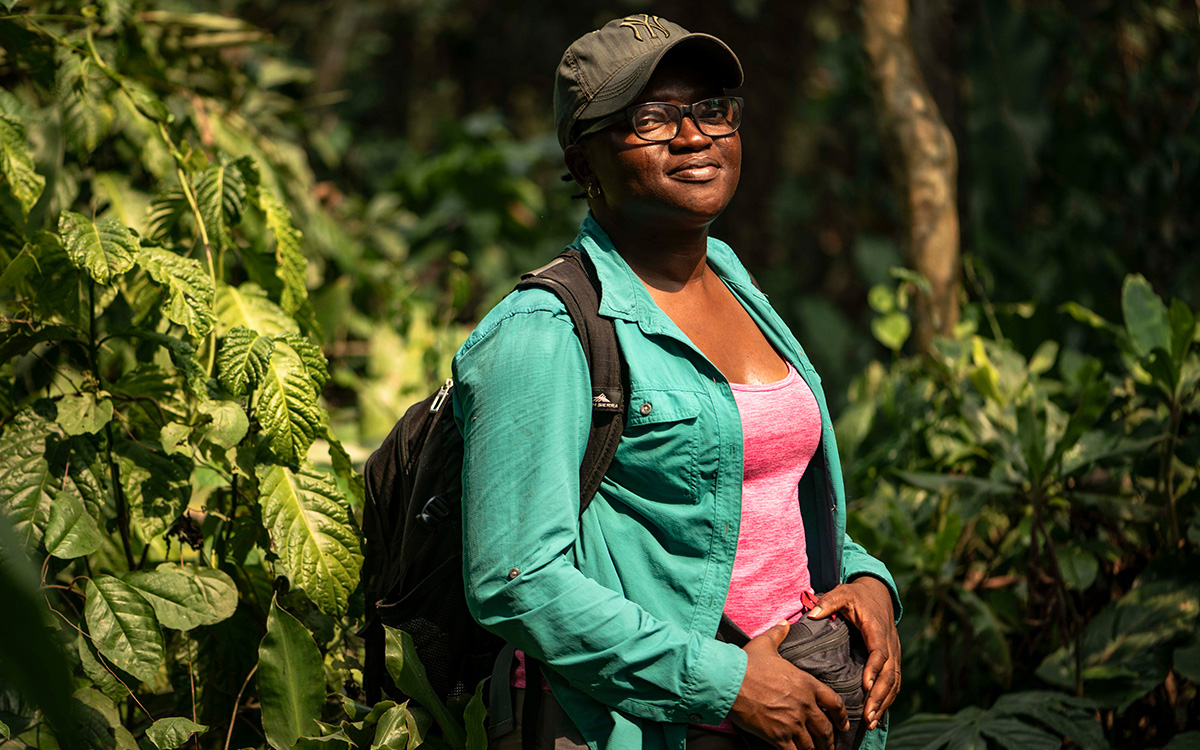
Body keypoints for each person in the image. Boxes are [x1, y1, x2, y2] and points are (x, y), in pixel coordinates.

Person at [451, 14, 901, 750]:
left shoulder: (730, 274)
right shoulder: (544, 330)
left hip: (811, 720)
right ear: (584, 159)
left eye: (711, 109)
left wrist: (872, 586)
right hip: (662, 729)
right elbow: (515, 579)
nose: (693, 137)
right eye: (651, 118)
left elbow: (768, 501)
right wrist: (725, 684)